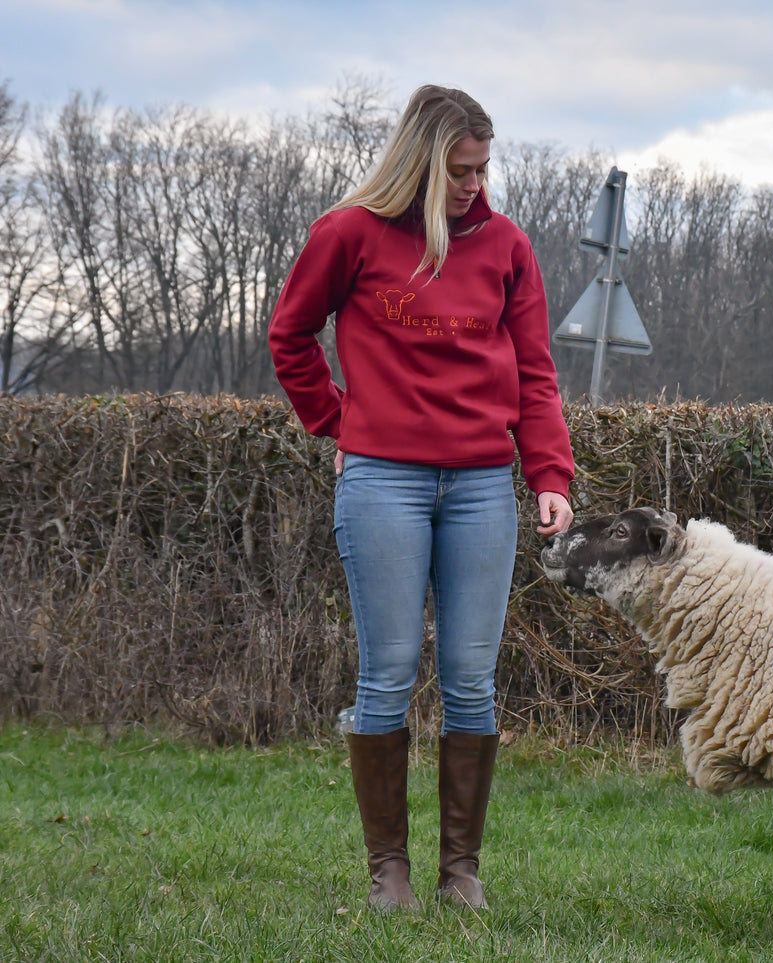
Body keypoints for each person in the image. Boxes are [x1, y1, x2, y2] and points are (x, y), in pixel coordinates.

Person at [268, 84, 574, 912]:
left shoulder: (508, 247)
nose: (474, 183)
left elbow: (537, 374)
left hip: (480, 486)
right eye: (459, 169)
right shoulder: (349, 234)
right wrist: (339, 423)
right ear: (422, 160)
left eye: (482, 167)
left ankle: (460, 873)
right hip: (384, 483)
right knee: (388, 675)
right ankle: (389, 873)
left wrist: (549, 475)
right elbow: (290, 336)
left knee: (471, 679)